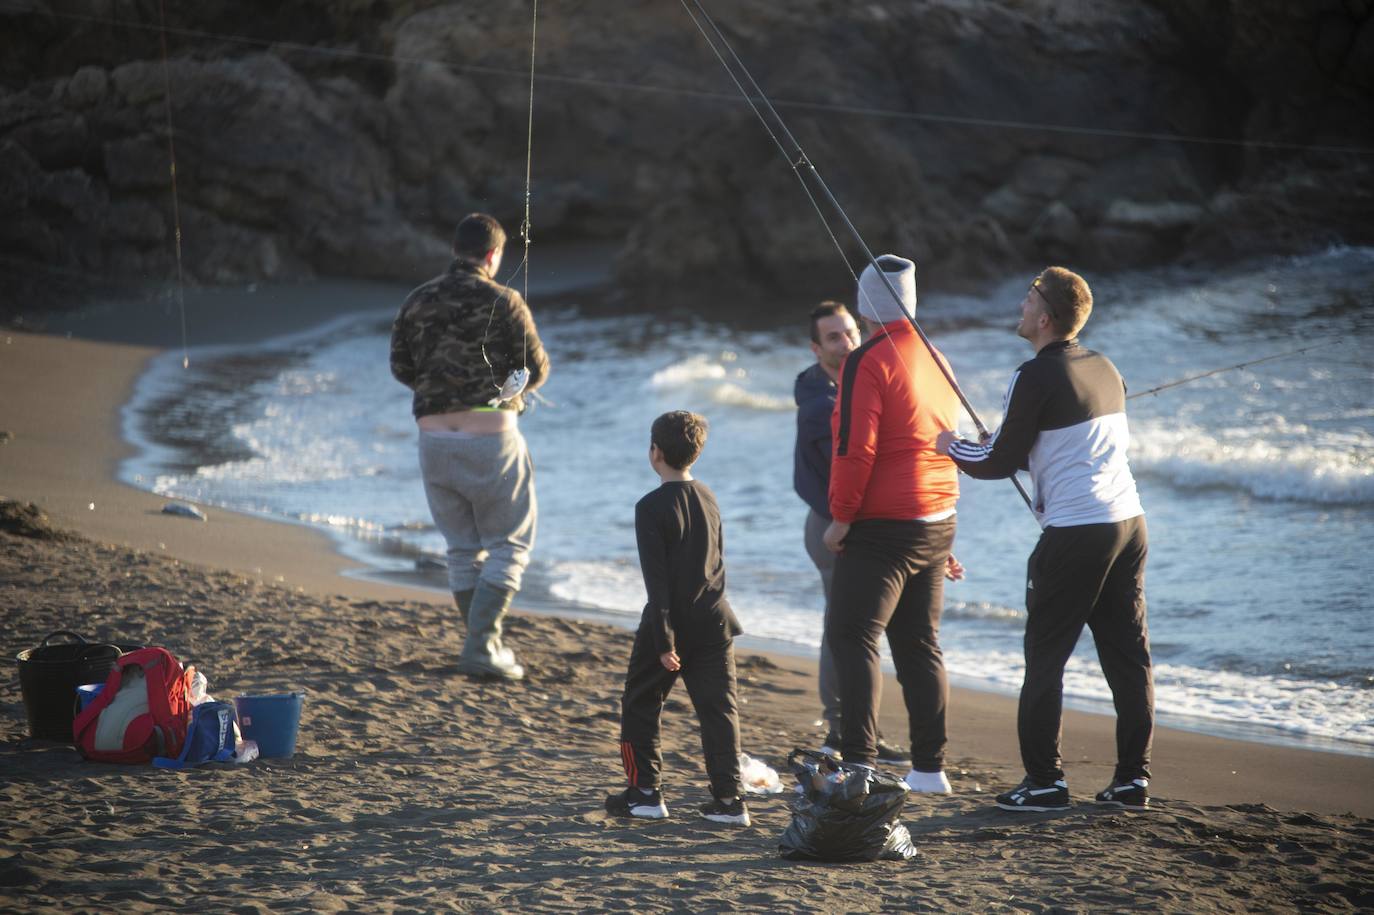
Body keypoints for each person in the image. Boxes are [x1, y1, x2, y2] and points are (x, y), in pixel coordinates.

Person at [936, 266, 1153, 811]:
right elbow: (1064, 449)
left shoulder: (1031, 375)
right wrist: (1013, 443)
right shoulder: (1107, 367)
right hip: (1128, 526)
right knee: (1128, 658)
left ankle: (1045, 784)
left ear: (1045, 318)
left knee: (1045, 659)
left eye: (1028, 298)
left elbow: (996, 463)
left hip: (1076, 535)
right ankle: (1132, 781)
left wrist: (951, 446)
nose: (1021, 305)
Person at [824, 255, 964, 794]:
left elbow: (854, 449)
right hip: (937, 518)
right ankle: (930, 768)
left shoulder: (866, 360)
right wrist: (947, 522)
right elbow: (946, 441)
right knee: (918, 643)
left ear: (866, 305)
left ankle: (859, 762)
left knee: (853, 634)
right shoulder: (939, 357)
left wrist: (840, 518)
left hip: (884, 524)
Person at [390, 212, 550, 681]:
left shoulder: (416, 300)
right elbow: (536, 369)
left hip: (433, 437)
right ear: (494, 255)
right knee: (511, 542)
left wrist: (440, 386)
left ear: (455, 249)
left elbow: (401, 367)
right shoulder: (506, 299)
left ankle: (487, 643)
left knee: (462, 548)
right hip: (491, 437)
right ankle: (481, 645)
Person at [606, 411, 750, 826]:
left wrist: (665, 641)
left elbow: (658, 581)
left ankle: (646, 794)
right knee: (719, 710)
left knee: (640, 701)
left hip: (669, 623)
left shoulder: (650, 507)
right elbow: (717, 564)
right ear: (697, 452)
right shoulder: (709, 495)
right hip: (715, 619)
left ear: (655, 452)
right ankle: (730, 801)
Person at [793, 301, 908, 765]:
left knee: (846, 627)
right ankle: (842, 729)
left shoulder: (851, 382)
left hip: (844, 523)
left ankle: (845, 728)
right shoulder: (822, 403)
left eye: (851, 333)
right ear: (816, 347)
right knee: (846, 629)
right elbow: (857, 466)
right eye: (835, 337)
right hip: (831, 526)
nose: (848, 343)